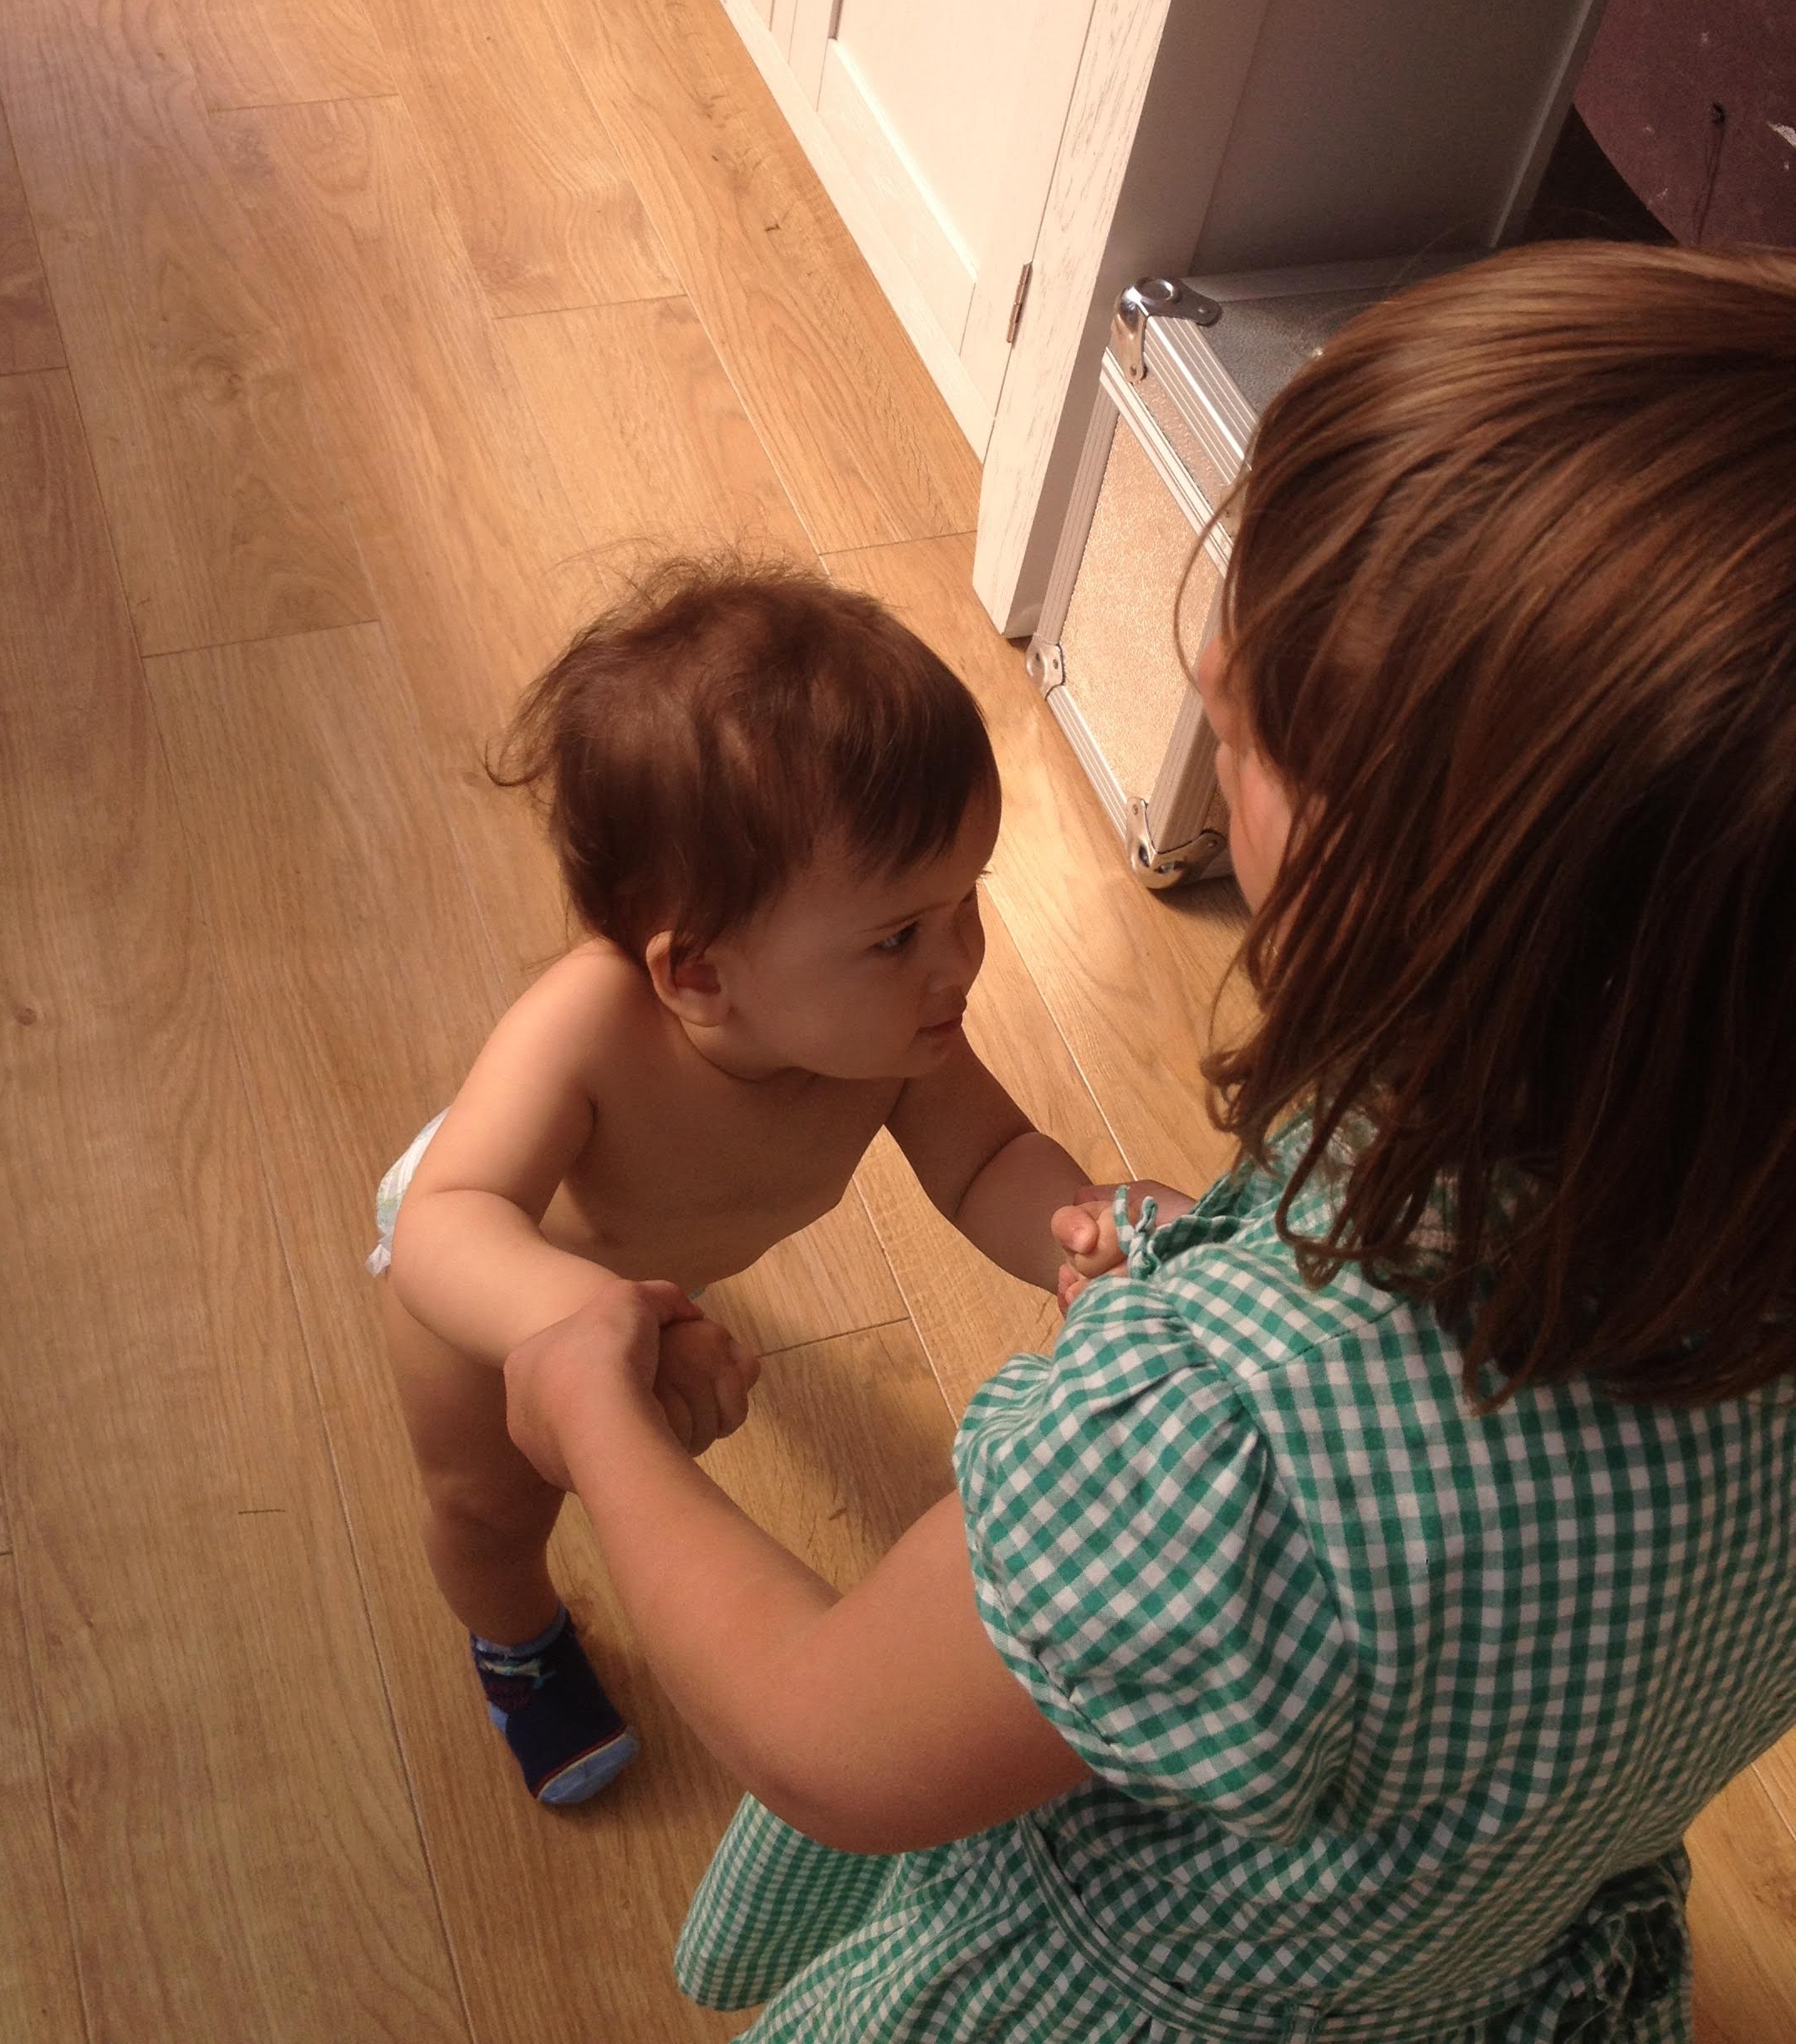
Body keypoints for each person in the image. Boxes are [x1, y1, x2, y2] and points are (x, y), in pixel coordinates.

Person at [501, 242, 1796, 2040]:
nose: (1200, 657)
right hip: (1482, 1942)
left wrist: (592, 1413)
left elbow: (819, 1729)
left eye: (1261, 717)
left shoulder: (1227, 1451)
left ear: (1429, 889)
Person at [369, 562, 1132, 1807]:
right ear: (700, 978)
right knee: (489, 1506)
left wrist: (1088, 1231)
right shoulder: (586, 1030)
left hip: (657, 1261)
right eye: (898, 935)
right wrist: (585, 1321)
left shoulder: (893, 1033)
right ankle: (517, 1643)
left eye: (968, 901)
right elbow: (447, 1224)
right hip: (498, 1288)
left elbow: (990, 1160)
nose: (959, 961)